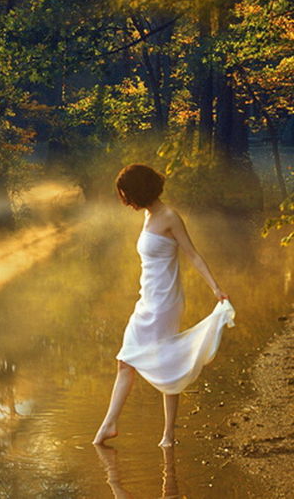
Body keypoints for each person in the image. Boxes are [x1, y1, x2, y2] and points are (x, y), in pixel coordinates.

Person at [93, 163, 236, 448]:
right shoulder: (148, 216)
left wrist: (216, 288)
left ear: (140, 190)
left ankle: (113, 426)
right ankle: (166, 437)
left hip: (163, 302)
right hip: (148, 298)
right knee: (155, 361)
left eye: (127, 194)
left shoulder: (169, 216)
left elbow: (193, 255)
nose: (126, 201)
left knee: (128, 360)